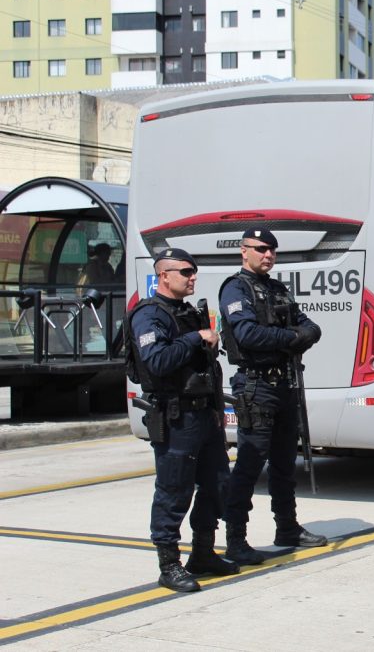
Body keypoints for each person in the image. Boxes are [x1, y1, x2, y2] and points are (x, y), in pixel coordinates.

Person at [125, 248, 239, 593]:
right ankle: (169, 564)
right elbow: (158, 361)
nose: (193, 277)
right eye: (186, 272)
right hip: (176, 416)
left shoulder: (187, 312)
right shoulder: (149, 316)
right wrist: (195, 337)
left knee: (218, 484)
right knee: (174, 490)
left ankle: (203, 552)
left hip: (204, 412)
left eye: (194, 271)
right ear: (164, 276)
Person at [219, 229, 327, 564]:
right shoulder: (236, 288)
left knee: (284, 464)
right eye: (261, 249)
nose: (268, 255)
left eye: (272, 250)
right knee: (250, 465)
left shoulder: (277, 289)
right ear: (244, 251)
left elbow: (312, 328)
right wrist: (291, 338)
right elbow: (248, 334)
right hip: (255, 386)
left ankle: (288, 528)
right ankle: (236, 539)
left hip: (285, 385)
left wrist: (288, 336)